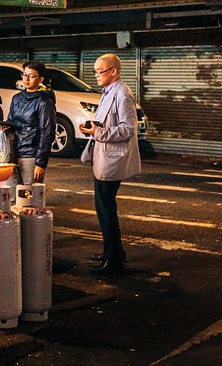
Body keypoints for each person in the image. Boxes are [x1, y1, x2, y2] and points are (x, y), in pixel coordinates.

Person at [80, 53, 141, 276]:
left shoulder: (122, 94)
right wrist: (93, 126)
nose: (96, 75)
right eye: (95, 71)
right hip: (103, 156)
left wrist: (99, 131)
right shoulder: (109, 92)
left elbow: (128, 129)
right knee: (104, 207)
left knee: (106, 209)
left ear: (113, 71)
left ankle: (113, 259)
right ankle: (113, 252)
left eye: (100, 71)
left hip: (112, 159)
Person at [5, 61, 56, 185]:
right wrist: (6, 126)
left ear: (41, 79)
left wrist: (40, 163)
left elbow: (47, 133)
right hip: (12, 154)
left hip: (31, 156)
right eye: (24, 74)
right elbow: (11, 121)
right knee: (12, 197)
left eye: (31, 76)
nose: (26, 79)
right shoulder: (16, 98)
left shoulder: (44, 101)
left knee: (29, 198)